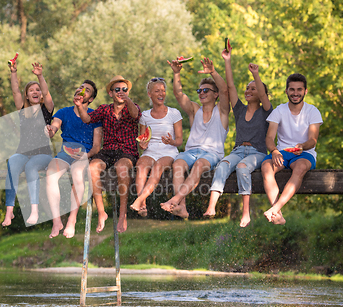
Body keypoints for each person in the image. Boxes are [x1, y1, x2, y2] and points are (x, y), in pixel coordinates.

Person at [203, 48, 273, 227]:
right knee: (223, 165)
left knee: (242, 167)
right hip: (238, 150)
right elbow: (230, 86)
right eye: (248, 88)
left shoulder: (266, 111)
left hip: (257, 153)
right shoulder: (240, 109)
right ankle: (211, 206)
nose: (248, 90)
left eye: (253, 88)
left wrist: (255, 74)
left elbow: (264, 94)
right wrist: (227, 60)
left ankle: (246, 213)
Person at [161, 58, 229, 218]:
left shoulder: (222, 111)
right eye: (200, 91)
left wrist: (212, 72)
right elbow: (178, 94)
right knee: (177, 164)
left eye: (206, 90)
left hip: (211, 154)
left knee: (199, 165)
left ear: (216, 94)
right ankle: (181, 208)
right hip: (190, 152)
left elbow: (226, 91)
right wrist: (176, 73)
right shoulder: (194, 110)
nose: (202, 93)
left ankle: (175, 200)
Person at [78, 75, 141, 233]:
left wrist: (128, 100)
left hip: (127, 151)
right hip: (108, 150)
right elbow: (87, 119)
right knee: (92, 168)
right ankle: (101, 212)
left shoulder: (132, 107)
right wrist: (79, 106)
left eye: (124, 89)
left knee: (121, 168)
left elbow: (135, 115)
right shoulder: (104, 109)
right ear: (111, 93)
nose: (121, 92)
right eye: (117, 90)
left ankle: (122, 214)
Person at [261, 73, 323, 225]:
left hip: (304, 153)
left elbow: (313, 140)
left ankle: (275, 208)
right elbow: (269, 138)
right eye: (292, 89)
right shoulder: (279, 111)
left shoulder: (312, 111)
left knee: (300, 167)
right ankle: (278, 215)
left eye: (299, 90)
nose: (296, 93)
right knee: (266, 167)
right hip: (282, 152)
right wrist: (274, 151)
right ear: (286, 91)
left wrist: (302, 146)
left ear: (305, 91)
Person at [45, 80, 103, 238]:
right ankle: (57, 220)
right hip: (65, 152)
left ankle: (72, 219)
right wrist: (50, 130)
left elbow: (97, 147)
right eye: (80, 87)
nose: (81, 90)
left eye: (87, 90)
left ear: (90, 99)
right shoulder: (63, 112)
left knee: (77, 175)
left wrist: (86, 156)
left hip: (83, 153)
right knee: (50, 175)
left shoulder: (95, 116)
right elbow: (54, 129)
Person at [2, 61, 54, 227]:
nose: (35, 92)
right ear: (26, 95)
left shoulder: (47, 109)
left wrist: (39, 76)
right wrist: (13, 72)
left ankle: (34, 210)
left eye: (37, 90)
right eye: (31, 90)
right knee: (12, 162)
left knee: (31, 166)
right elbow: (15, 90)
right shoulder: (22, 110)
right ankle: (9, 210)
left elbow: (46, 92)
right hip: (23, 152)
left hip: (43, 154)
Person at [129, 77, 183, 217]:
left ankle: (139, 200)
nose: (161, 94)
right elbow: (142, 141)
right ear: (150, 94)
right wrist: (142, 145)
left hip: (168, 150)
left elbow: (180, 141)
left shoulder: (174, 113)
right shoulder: (145, 116)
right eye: (157, 91)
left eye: (163, 91)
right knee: (140, 165)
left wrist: (171, 142)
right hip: (150, 150)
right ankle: (143, 206)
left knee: (158, 167)